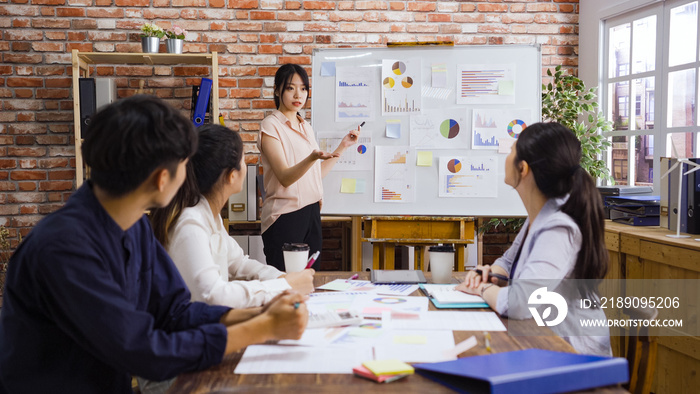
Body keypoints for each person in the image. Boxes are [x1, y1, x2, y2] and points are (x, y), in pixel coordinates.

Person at [0, 96, 308, 393]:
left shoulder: (132, 225)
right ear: (162, 179)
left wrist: (260, 313)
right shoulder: (64, 248)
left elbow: (173, 312)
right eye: (186, 163)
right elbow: (144, 350)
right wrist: (263, 328)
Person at [455, 122, 610, 356]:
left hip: (572, 353)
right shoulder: (541, 213)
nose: (506, 157)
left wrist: (482, 289)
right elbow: (508, 262)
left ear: (523, 168)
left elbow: (518, 303)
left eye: (511, 151)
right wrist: (490, 273)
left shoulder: (558, 228)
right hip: (541, 340)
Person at [150, 124, 315, 310]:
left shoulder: (210, 217)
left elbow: (239, 264)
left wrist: (283, 279)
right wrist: (283, 286)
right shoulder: (190, 224)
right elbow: (213, 296)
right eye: (243, 160)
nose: (246, 166)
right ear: (231, 175)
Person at [258, 63, 360, 270]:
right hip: (284, 216)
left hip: (312, 212)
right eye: (290, 88)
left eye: (303, 88)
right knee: (287, 284)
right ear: (277, 90)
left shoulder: (305, 126)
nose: (298, 94)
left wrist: (343, 146)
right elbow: (285, 177)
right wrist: (311, 158)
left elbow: (315, 175)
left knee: (310, 281)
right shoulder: (271, 125)